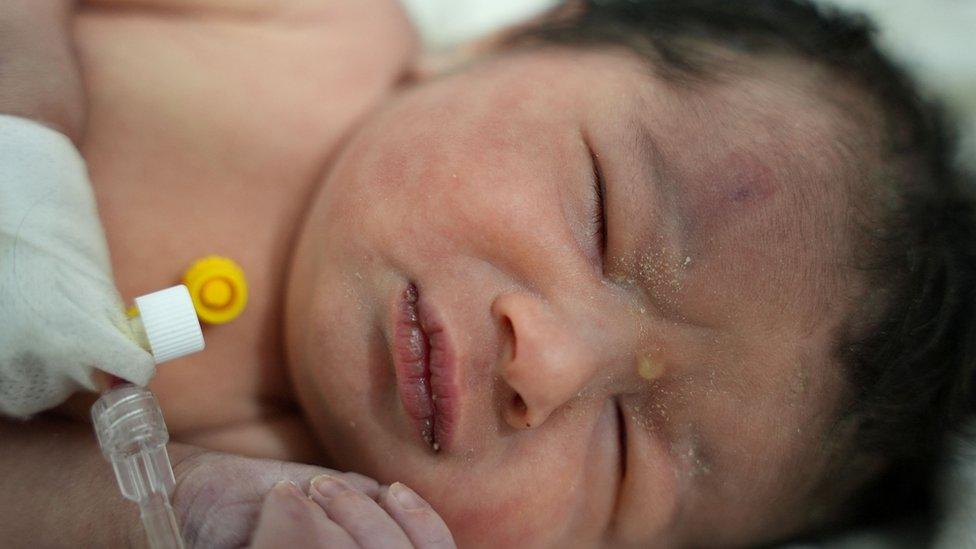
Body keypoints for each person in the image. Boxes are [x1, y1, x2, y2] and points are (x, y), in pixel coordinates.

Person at [2, 0, 975, 547]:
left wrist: (185, 511)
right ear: (508, 41)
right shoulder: (308, 28)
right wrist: (26, 110)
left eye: (626, 459)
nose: (544, 363)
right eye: (601, 217)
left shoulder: (295, 494)